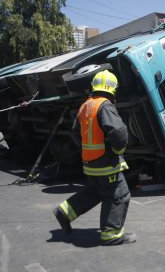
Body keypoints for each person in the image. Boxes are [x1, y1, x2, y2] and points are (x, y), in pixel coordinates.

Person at [53, 70, 136, 245]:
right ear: (113, 89)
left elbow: (75, 133)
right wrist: (117, 149)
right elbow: (119, 132)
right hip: (106, 163)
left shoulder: (86, 105)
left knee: (96, 191)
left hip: (90, 162)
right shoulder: (105, 105)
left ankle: (65, 212)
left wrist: (88, 149)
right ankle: (112, 235)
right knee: (118, 195)